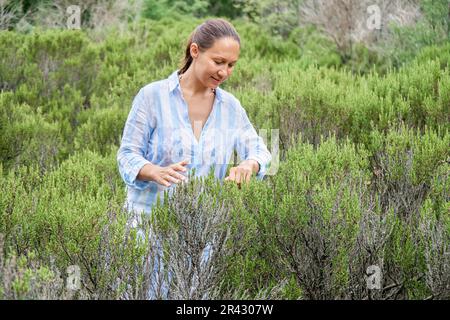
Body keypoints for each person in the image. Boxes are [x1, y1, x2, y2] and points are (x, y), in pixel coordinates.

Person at [116, 18, 272, 298]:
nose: (225, 72)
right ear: (195, 51)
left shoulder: (231, 107)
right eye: (218, 61)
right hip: (146, 233)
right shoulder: (152, 97)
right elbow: (127, 155)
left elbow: (263, 150)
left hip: (201, 240)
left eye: (231, 65)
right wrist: (153, 171)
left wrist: (250, 164)